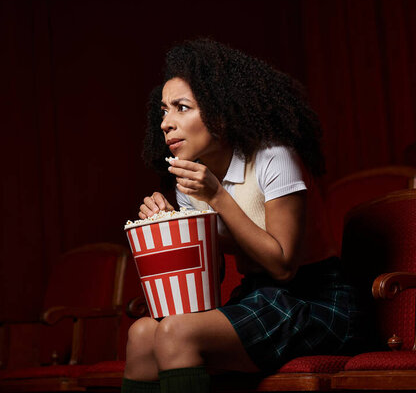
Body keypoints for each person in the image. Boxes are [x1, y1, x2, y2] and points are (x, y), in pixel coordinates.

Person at [122, 39, 365, 393]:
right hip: (256, 295)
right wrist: (172, 226)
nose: (166, 123)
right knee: (141, 334)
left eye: (181, 108)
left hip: (316, 299)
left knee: (177, 332)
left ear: (221, 111)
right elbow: (208, 282)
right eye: (163, 111)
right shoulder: (190, 180)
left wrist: (217, 196)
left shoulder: (273, 155)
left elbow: (283, 265)